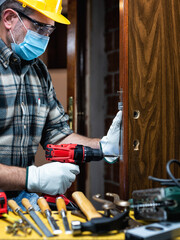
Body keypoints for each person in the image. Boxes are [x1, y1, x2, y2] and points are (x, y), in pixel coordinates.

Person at [0, 0, 122, 210]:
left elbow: (57, 135)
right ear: (10, 19)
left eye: (50, 29)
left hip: (21, 200)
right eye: (40, 27)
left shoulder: (38, 71)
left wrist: (103, 147)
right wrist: (32, 177)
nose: (45, 37)